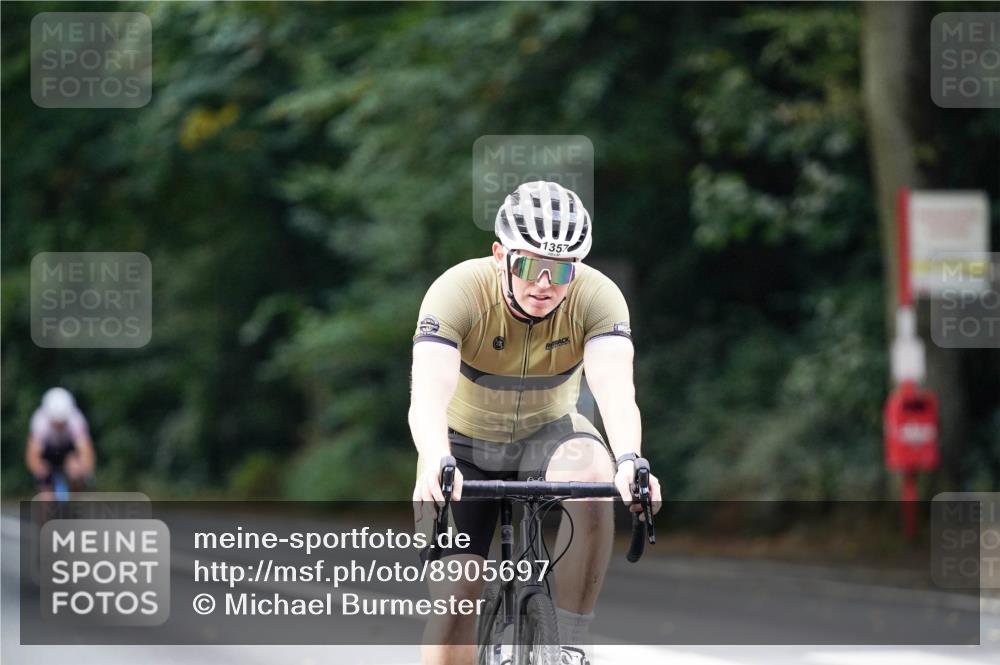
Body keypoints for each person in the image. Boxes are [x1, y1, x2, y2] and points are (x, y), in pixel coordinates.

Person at [410, 181, 662, 665]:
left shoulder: (598, 297)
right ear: (500, 256)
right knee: (456, 599)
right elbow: (428, 393)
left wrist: (631, 460)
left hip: (550, 435)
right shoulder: (457, 291)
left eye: (560, 269)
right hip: (462, 445)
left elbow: (615, 389)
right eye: (528, 266)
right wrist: (435, 458)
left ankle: (568, 644)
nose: (544, 283)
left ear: (577, 267)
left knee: (595, 475)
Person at [26, 387, 95, 495]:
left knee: (77, 476)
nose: (59, 426)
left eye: (62, 423)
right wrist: (39, 469)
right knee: (45, 489)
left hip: (69, 450)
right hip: (47, 451)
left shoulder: (76, 419)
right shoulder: (39, 422)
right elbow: (33, 455)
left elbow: (86, 452)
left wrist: (83, 470)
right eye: (56, 423)